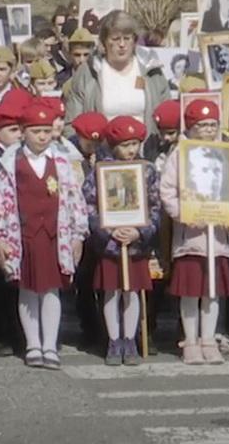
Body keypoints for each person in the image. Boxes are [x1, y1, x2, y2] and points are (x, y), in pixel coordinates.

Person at [0, 101, 89, 370]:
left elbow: (74, 199)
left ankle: (50, 344)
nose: (42, 137)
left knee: (51, 289)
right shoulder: (12, 163)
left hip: (55, 235)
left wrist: (78, 234)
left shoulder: (61, 162)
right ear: (23, 132)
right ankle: (33, 343)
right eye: (36, 131)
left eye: (46, 131)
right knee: (28, 288)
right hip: (24, 235)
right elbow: (1, 201)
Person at [159, 100, 229, 364]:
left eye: (212, 125)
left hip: (217, 237)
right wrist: (184, 214)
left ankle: (209, 338)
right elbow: (167, 190)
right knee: (190, 292)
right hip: (191, 238)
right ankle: (191, 340)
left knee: (212, 292)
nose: (208, 130)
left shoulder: (225, 154)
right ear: (191, 127)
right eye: (202, 125)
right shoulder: (179, 154)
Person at [84, 116, 159, 366]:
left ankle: (130, 338)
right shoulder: (101, 171)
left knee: (132, 291)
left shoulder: (147, 171)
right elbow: (90, 205)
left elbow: (155, 205)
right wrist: (107, 230)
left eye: (135, 144)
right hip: (110, 245)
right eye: (125, 145)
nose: (131, 150)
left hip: (136, 244)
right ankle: (113, 339)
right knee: (112, 291)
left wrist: (141, 231)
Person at [64, 12, 172, 130]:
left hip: (146, 140)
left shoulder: (152, 69)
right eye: (115, 39)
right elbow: (72, 123)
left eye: (127, 38)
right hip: (101, 141)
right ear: (104, 42)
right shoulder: (87, 72)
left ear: (134, 40)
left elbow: (167, 117)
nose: (122, 44)